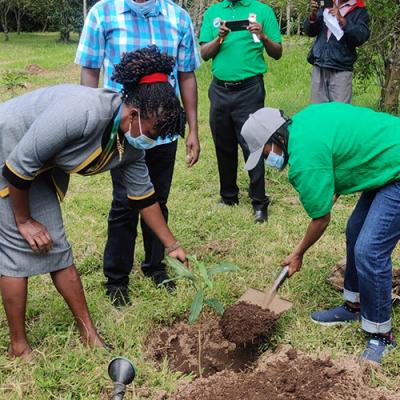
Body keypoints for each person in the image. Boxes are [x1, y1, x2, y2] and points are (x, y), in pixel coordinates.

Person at [0, 46, 187, 358]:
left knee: (55, 245)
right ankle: (19, 345)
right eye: (153, 132)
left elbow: (144, 198)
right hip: (8, 156)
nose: (153, 140)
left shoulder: (130, 145)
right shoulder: (82, 112)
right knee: (19, 249)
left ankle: (89, 334)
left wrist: (172, 245)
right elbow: (19, 166)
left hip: (31, 169)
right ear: (135, 115)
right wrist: (23, 221)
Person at [240, 103, 400, 364]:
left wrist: (298, 254)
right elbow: (332, 180)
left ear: (277, 137)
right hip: (384, 161)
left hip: (395, 165)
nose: (268, 158)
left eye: (266, 151)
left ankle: (381, 335)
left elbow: (321, 219)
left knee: (370, 250)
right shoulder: (304, 123)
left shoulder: (304, 159)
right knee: (354, 231)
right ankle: (354, 306)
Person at [75, 0, 200, 306]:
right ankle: (117, 279)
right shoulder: (103, 13)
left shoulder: (178, 17)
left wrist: (193, 129)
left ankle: (156, 266)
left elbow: (186, 76)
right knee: (125, 203)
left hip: (163, 130)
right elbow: (89, 71)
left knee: (158, 198)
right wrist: (95, 125)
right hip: (125, 129)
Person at [199, 0, 282, 223]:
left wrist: (263, 37)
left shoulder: (263, 11)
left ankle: (259, 202)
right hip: (220, 90)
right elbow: (205, 54)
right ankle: (228, 197)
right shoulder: (213, 13)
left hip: (250, 90)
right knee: (223, 143)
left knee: (253, 144)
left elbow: (278, 52)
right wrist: (219, 37)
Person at [304, 0, 369, 104]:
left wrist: (343, 21)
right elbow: (310, 32)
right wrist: (313, 16)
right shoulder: (327, 4)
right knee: (317, 113)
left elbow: (361, 36)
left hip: (341, 69)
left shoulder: (359, 10)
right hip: (319, 65)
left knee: (340, 114)